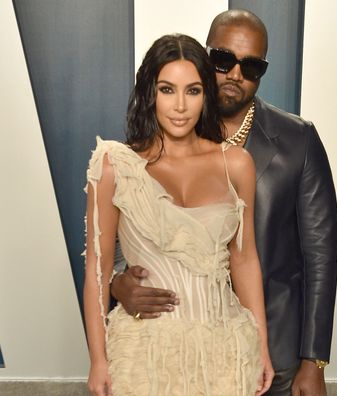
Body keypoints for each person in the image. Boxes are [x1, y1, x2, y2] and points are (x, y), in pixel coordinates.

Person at [111, 9, 337, 396]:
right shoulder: (163, 133)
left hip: (273, 350)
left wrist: (313, 361)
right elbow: (129, 227)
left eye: (252, 66)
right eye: (223, 59)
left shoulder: (299, 140)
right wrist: (120, 282)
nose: (235, 74)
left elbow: (320, 257)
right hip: (179, 341)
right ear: (204, 56)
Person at [84, 33, 274, 396]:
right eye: (168, 89)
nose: (180, 106)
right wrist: (98, 360)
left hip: (227, 349)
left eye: (193, 91)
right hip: (143, 352)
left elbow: (245, 259)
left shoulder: (235, 164)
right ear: (149, 93)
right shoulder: (113, 166)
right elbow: (97, 270)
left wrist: (261, 347)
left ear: (206, 96)